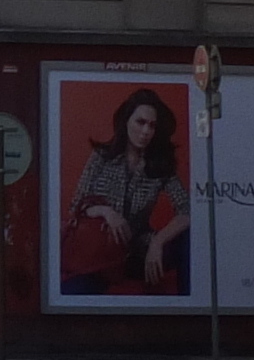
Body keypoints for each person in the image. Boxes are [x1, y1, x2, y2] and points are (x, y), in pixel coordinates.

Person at [59, 88, 192, 297]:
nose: (146, 131)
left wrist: (158, 242)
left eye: (152, 125)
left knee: (189, 239)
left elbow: (187, 210)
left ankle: (192, 312)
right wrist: (106, 212)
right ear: (126, 121)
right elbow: (76, 205)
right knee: (70, 291)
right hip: (102, 255)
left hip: (139, 252)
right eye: (140, 122)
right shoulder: (102, 157)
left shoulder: (160, 164)